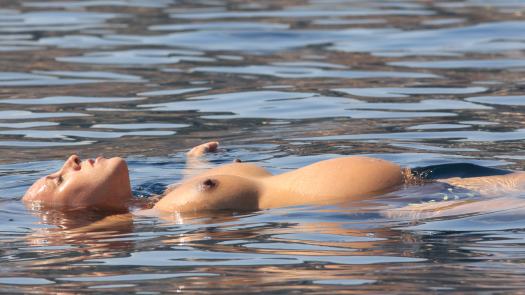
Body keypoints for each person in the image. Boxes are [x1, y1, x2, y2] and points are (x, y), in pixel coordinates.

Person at [22, 142, 525, 214]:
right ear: (75, 214)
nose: (70, 159)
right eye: (60, 179)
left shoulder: (160, 202)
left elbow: (217, 190)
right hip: (393, 209)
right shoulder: (157, 220)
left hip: (417, 190)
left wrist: (196, 166)